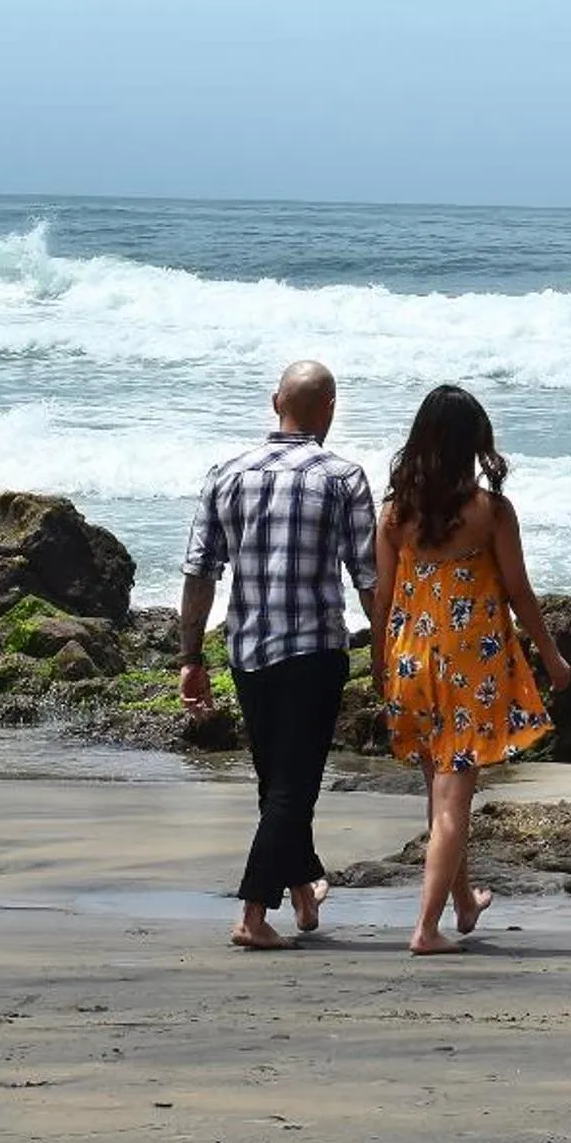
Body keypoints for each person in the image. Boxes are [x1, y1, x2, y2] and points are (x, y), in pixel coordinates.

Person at [180, 359, 378, 951]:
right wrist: (391, 648)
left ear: (275, 403)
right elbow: (368, 576)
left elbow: (199, 572)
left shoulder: (228, 473)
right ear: (331, 410)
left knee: (277, 784)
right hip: (314, 648)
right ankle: (252, 913)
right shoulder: (342, 477)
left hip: (247, 650)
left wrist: (191, 656)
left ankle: (301, 888)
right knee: (293, 787)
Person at [374, 384, 571, 956]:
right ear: (472, 444)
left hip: (411, 657)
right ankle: (426, 928)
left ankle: (462, 902)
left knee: (436, 790)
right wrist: (551, 656)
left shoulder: (395, 513)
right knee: (454, 801)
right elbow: (518, 591)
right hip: (469, 662)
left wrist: (381, 667)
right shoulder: (489, 511)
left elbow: (383, 598)